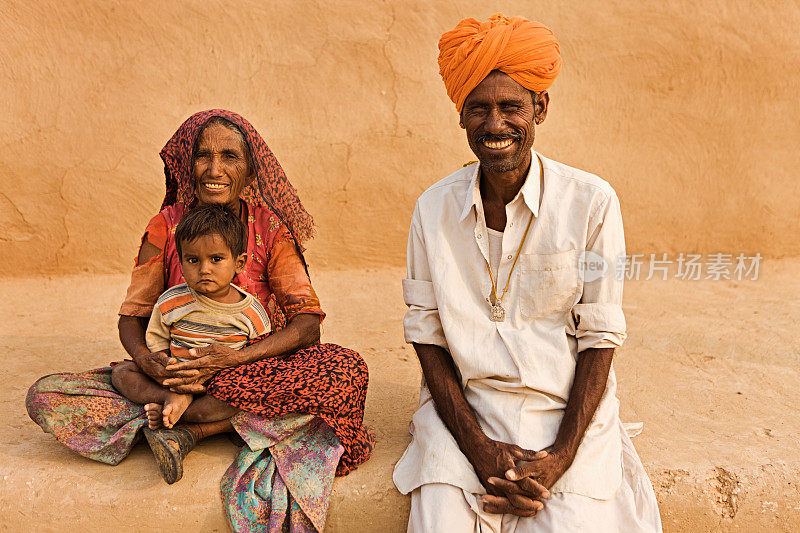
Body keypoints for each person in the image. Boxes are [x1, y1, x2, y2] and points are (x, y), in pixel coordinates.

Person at [27, 109, 373, 532]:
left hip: (248, 371)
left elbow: (307, 325)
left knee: (345, 370)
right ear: (187, 165)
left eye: (229, 157)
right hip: (175, 371)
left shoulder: (270, 229)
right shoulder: (166, 226)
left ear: (250, 170)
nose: (214, 169)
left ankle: (186, 426)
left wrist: (234, 359)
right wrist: (148, 359)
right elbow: (132, 317)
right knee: (47, 395)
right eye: (203, 155)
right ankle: (211, 417)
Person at [393, 14, 662, 532]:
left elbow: (600, 336)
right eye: (479, 109)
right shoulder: (432, 209)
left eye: (510, 106)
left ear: (540, 107)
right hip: (465, 414)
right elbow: (426, 335)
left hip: (563, 413)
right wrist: (477, 448)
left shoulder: (591, 203)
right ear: (461, 115)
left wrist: (560, 456)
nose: (494, 125)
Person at [112, 204, 271, 437]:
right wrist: (167, 370)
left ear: (239, 263)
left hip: (220, 385)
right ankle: (170, 400)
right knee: (121, 373)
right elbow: (157, 339)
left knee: (244, 396)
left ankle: (179, 413)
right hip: (174, 379)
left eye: (216, 259)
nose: (204, 269)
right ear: (182, 263)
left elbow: (257, 357)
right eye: (193, 260)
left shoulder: (251, 311)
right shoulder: (171, 301)